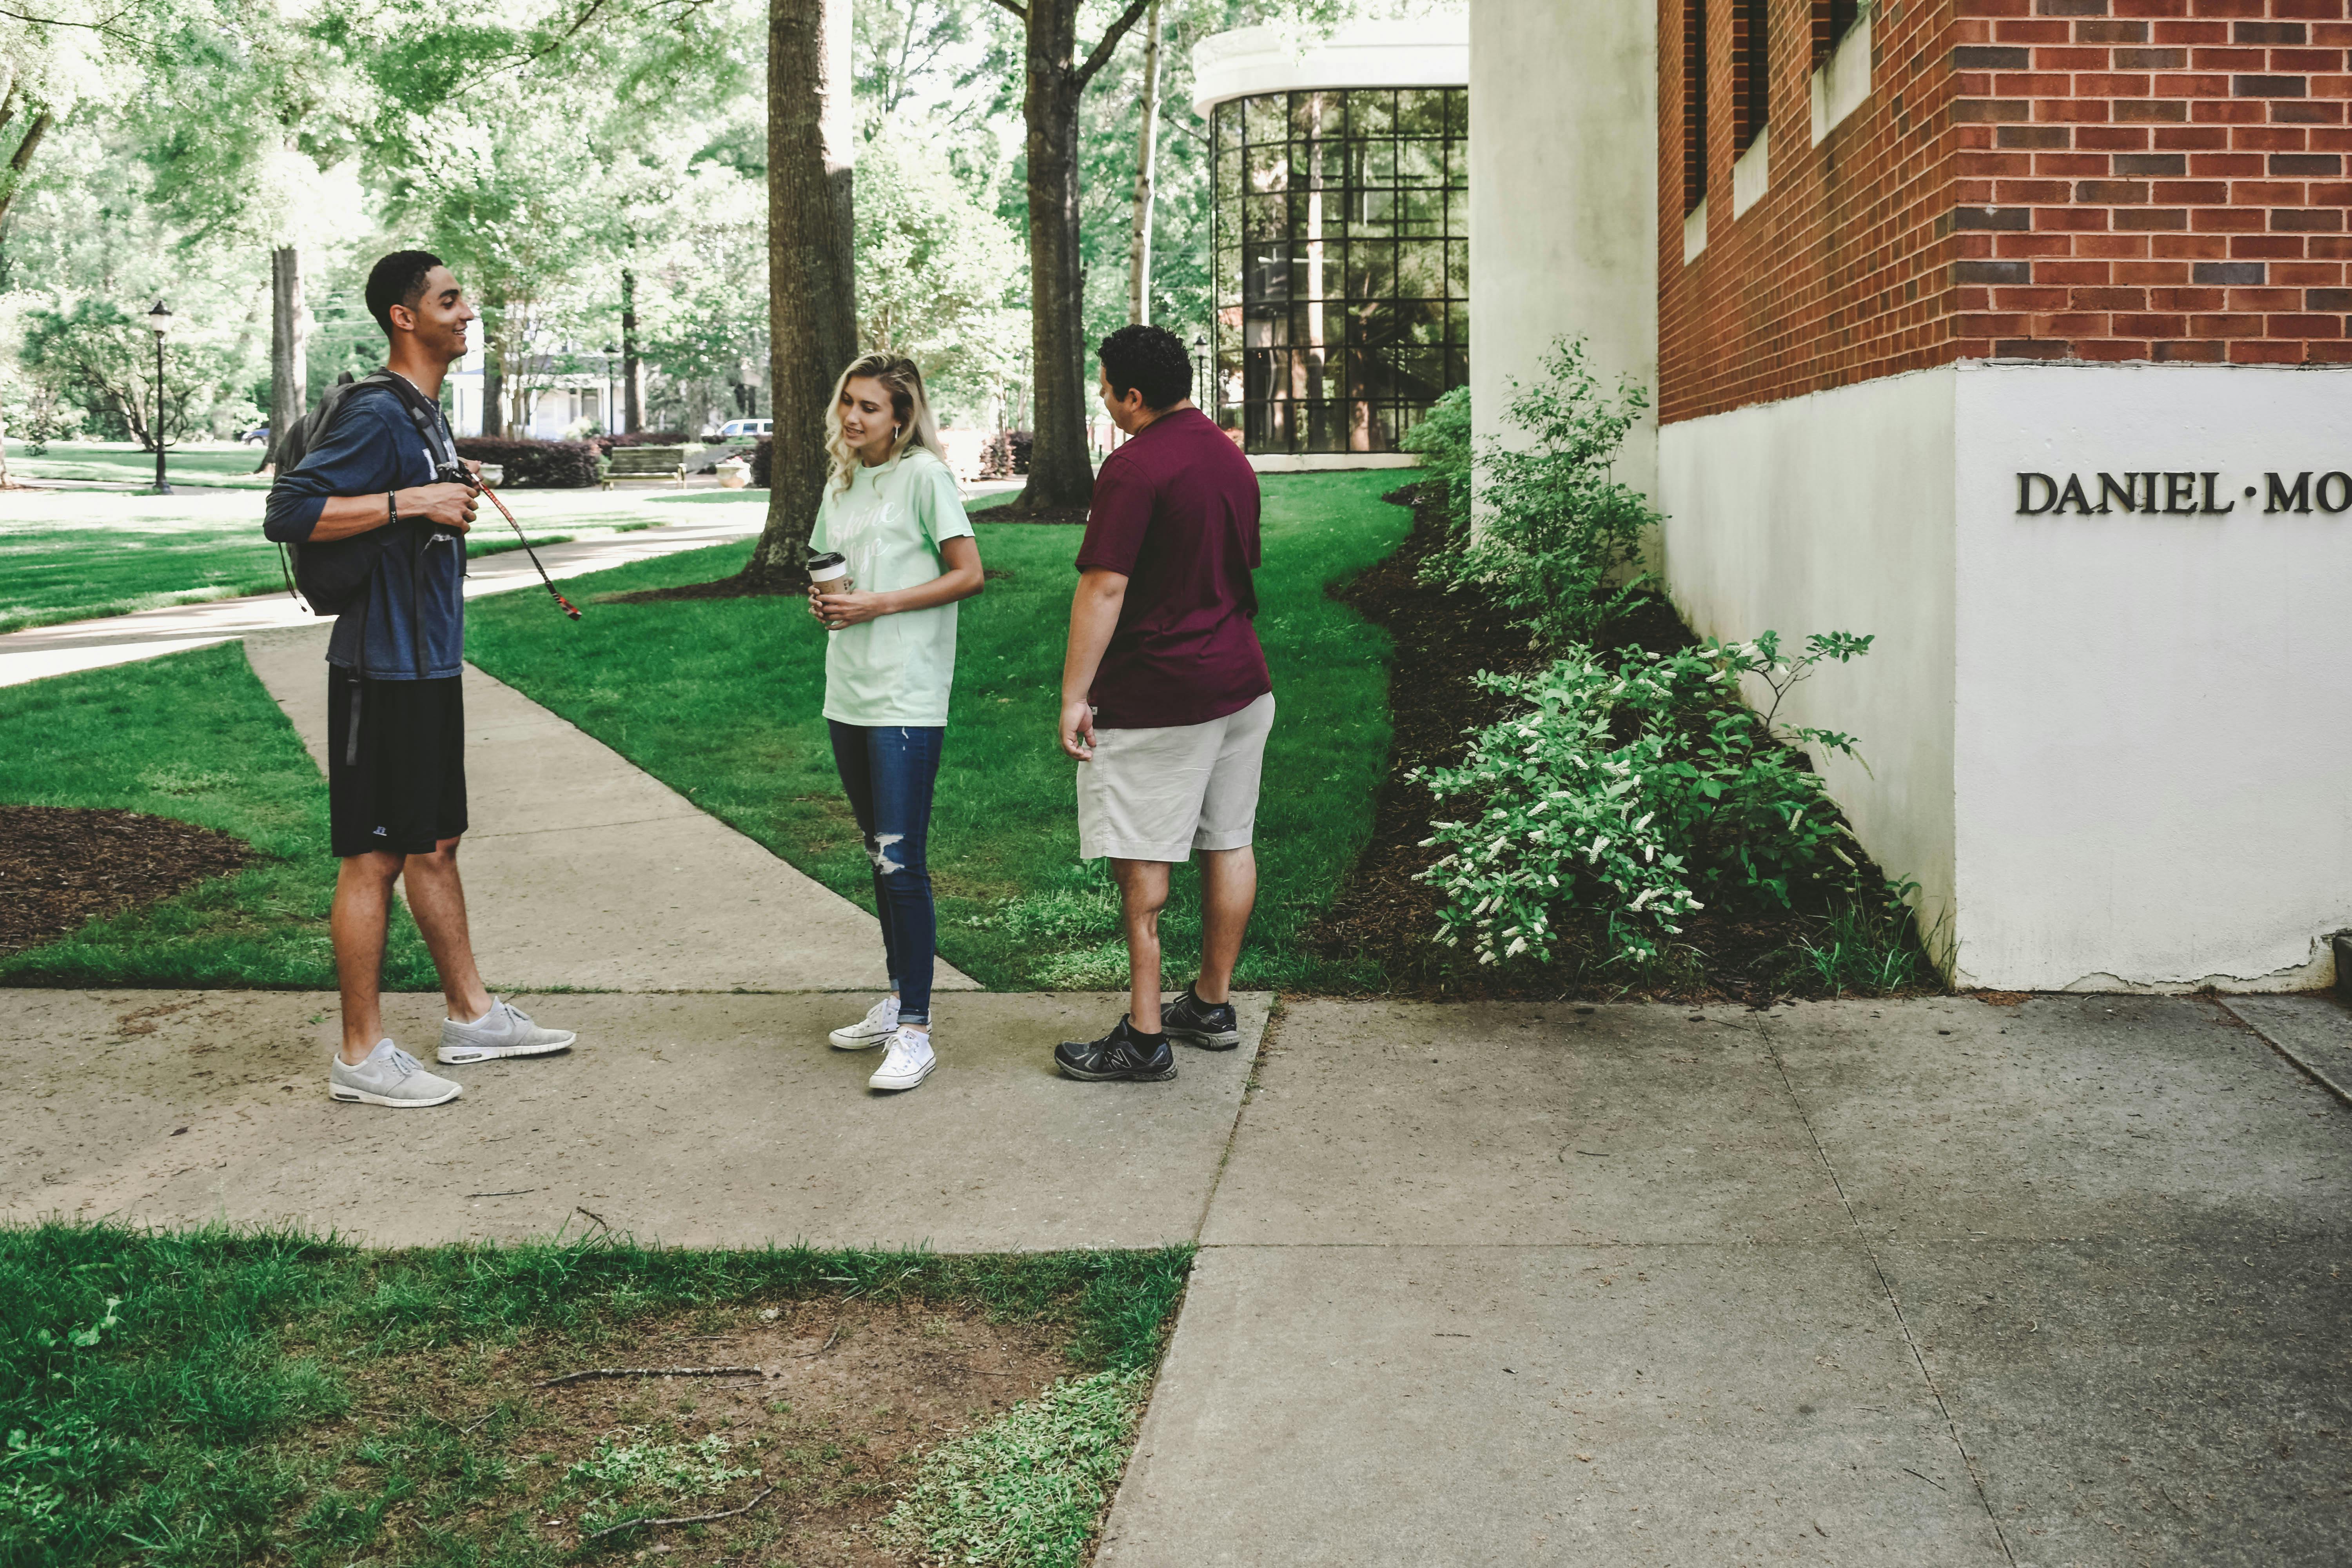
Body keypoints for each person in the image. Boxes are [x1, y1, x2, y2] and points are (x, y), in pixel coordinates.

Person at [264, 250, 575, 1109]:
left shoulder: (424, 415)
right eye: (450, 299)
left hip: (429, 661)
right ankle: (361, 1055)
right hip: (380, 667)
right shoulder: (376, 411)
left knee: (435, 842)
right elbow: (287, 511)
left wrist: (446, 489)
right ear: (406, 318)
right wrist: (414, 502)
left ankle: (471, 1016)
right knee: (374, 857)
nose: (466, 310)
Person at [1054, 324, 1270, 1083]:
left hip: (1161, 695)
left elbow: (1105, 585)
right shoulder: (1227, 454)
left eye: (1105, 386)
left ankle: (1145, 1039)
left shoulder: (1133, 466)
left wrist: (1076, 694)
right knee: (1229, 839)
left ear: (1132, 395)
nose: (1104, 398)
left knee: (1143, 864)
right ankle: (1210, 1002)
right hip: (1242, 686)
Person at [808, 353, 985, 1093]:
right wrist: (825, 600)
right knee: (877, 854)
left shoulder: (926, 477)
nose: (853, 418)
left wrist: (876, 603)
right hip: (848, 692)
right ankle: (898, 997)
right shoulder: (843, 479)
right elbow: (827, 563)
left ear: (903, 417)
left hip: (905, 694)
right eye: (849, 402)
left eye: (870, 408)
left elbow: (968, 573)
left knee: (901, 857)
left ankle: (916, 1028)